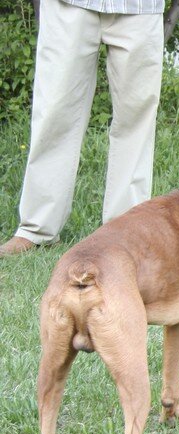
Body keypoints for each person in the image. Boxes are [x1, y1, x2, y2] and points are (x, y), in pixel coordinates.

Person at [0, 0, 164, 257]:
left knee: (137, 117)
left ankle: (125, 232)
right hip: (67, 4)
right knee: (55, 109)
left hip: (141, 7)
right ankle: (36, 228)